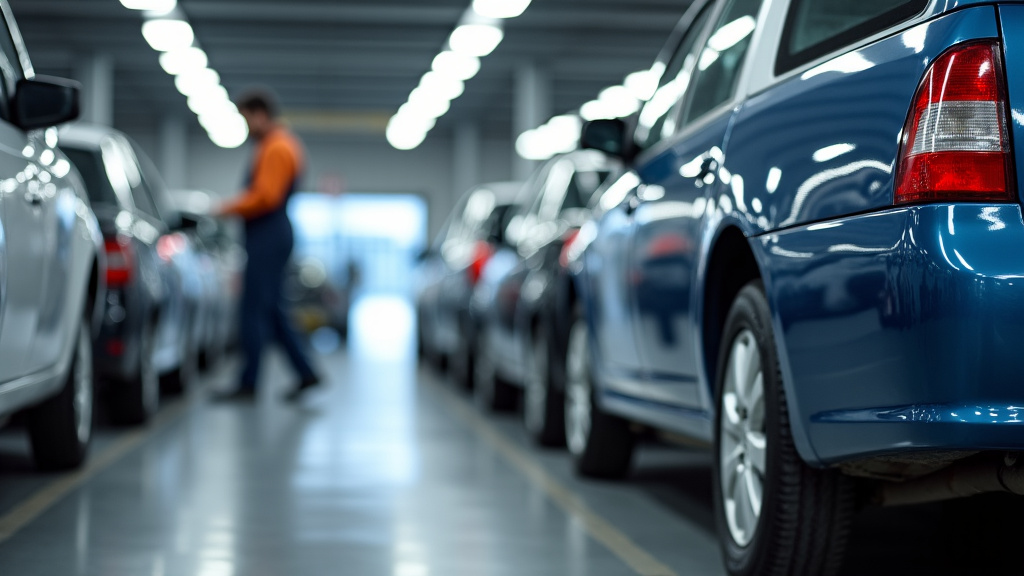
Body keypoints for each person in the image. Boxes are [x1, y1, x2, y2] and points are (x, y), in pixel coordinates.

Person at [216, 90, 321, 401]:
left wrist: (225, 208)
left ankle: (251, 383)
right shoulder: (277, 144)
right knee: (270, 309)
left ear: (260, 114)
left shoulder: (276, 147)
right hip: (271, 234)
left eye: (246, 119)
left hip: (269, 234)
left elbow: (266, 196)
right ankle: (304, 373)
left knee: (255, 309)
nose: (246, 126)